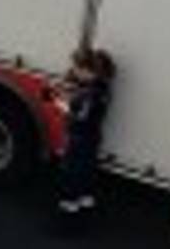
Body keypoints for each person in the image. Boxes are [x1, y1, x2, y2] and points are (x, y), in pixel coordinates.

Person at [54, 47, 115, 220]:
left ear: (87, 70)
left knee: (71, 174)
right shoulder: (103, 86)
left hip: (79, 139)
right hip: (93, 137)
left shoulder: (90, 93)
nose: (73, 71)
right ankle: (85, 207)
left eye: (76, 67)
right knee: (87, 173)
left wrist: (58, 103)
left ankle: (68, 216)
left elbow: (80, 117)